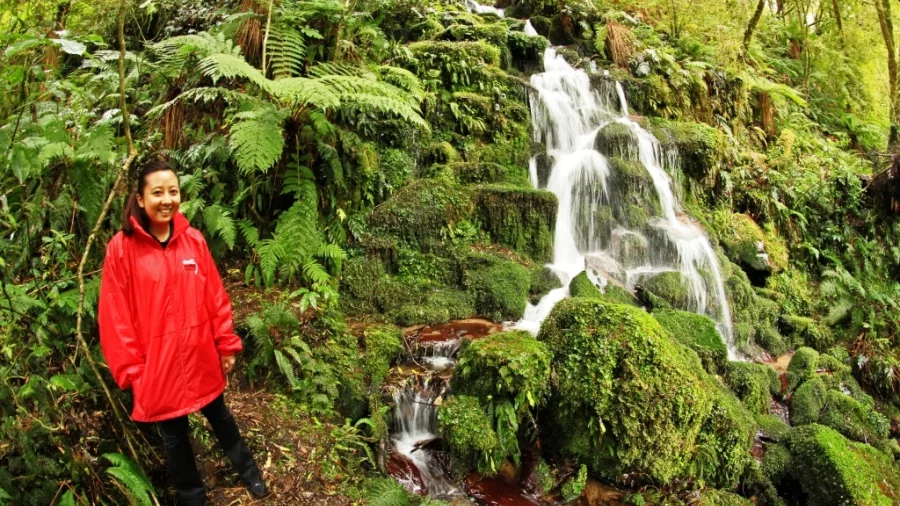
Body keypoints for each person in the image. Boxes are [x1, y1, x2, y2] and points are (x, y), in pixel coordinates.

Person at [98, 159, 268, 504]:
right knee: (173, 435)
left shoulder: (193, 241)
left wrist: (226, 344)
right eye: (157, 192)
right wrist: (132, 371)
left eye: (173, 191)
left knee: (219, 415)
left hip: (199, 353)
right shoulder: (122, 249)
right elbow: (115, 315)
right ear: (140, 199)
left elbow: (215, 297)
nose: (166, 200)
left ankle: (249, 472)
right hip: (156, 364)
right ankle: (192, 497)